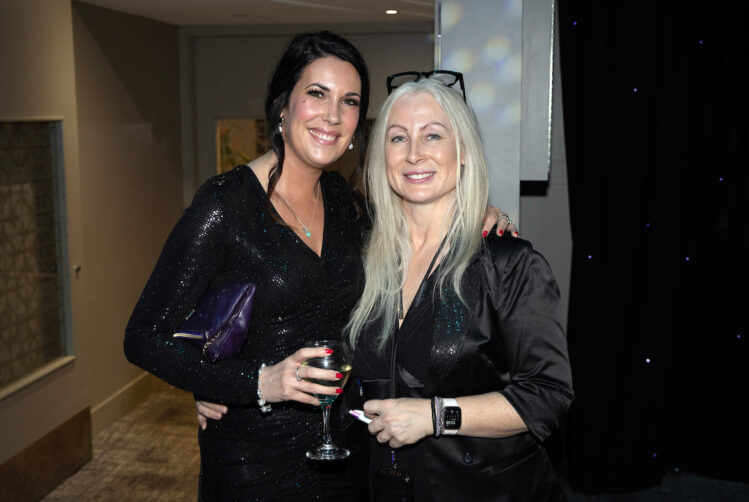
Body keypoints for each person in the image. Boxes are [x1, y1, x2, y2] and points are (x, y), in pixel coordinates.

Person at [125, 32, 514, 501]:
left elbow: (415, 222)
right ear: (282, 106)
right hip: (254, 463)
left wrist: (478, 215)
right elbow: (144, 336)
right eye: (317, 94)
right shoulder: (223, 205)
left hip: (346, 455)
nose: (332, 115)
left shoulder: (343, 202)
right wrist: (251, 382)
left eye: (349, 101)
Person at [345, 76, 574, 501]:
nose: (414, 153)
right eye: (398, 138)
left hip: (485, 490)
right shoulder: (362, 259)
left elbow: (548, 394)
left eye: (433, 135)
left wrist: (437, 415)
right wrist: (236, 385)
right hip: (382, 485)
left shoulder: (508, 264)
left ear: (463, 151)